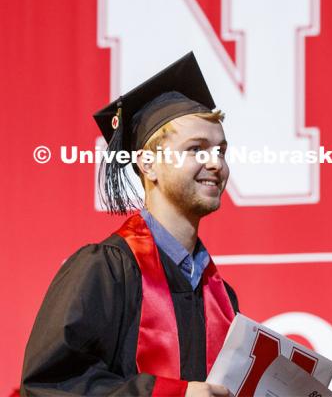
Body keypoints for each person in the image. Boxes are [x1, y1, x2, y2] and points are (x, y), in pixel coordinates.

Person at [21, 52, 239, 397]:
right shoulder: (105, 270)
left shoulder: (221, 297)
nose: (215, 164)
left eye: (221, 151)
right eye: (196, 149)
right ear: (148, 164)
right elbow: (48, 386)